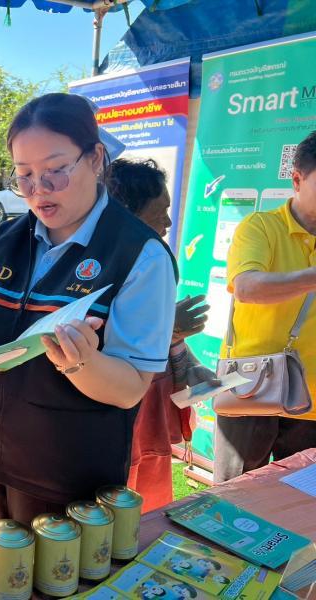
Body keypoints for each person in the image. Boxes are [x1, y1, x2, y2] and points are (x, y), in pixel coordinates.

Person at [0, 93, 178, 578]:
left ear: (95, 159)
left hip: (66, 480)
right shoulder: (6, 237)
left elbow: (132, 386)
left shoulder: (140, 255)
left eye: (55, 169)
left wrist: (82, 363)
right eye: (23, 174)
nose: (38, 189)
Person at [106, 158, 216, 512]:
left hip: (151, 398)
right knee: (114, 489)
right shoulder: (97, 261)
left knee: (148, 487)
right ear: (127, 210)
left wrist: (181, 348)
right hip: (115, 398)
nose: (168, 222)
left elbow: (157, 325)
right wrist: (169, 328)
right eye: (161, 210)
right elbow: (101, 336)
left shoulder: (158, 254)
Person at [214, 130, 316, 483]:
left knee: (297, 500)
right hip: (250, 386)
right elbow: (247, 287)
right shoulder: (260, 226)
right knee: (233, 498)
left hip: (312, 401)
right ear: (297, 180)